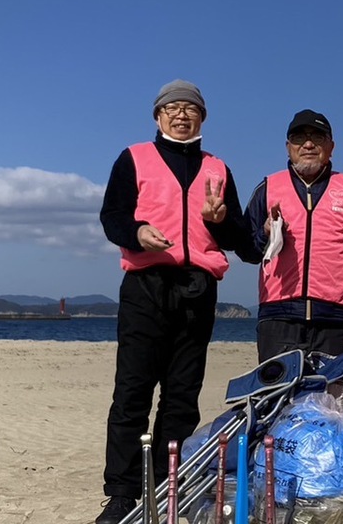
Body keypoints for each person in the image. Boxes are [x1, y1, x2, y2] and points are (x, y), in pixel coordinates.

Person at [96, 79, 257, 524]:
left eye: (191, 108)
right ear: (158, 116)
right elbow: (112, 217)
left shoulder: (218, 168)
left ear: (203, 118)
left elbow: (240, 238)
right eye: (172, 108)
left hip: (197, 288)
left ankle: (169, 485)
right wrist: (137, 233)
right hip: (145, 285)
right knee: (132, 392)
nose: (181, 115)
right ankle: (123, 492)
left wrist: (221, 220)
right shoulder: (133, 158)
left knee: (182, 395)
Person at [244, 109, 343, 363]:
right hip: (278, 318)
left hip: (334, 320)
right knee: (276, 400)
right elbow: (247, 251)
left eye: (317, 137)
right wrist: (264, 234)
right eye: (299, 138)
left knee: (329, 400)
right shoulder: (268, 187)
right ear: (288, 147)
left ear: (331, 146)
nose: (308, 144)